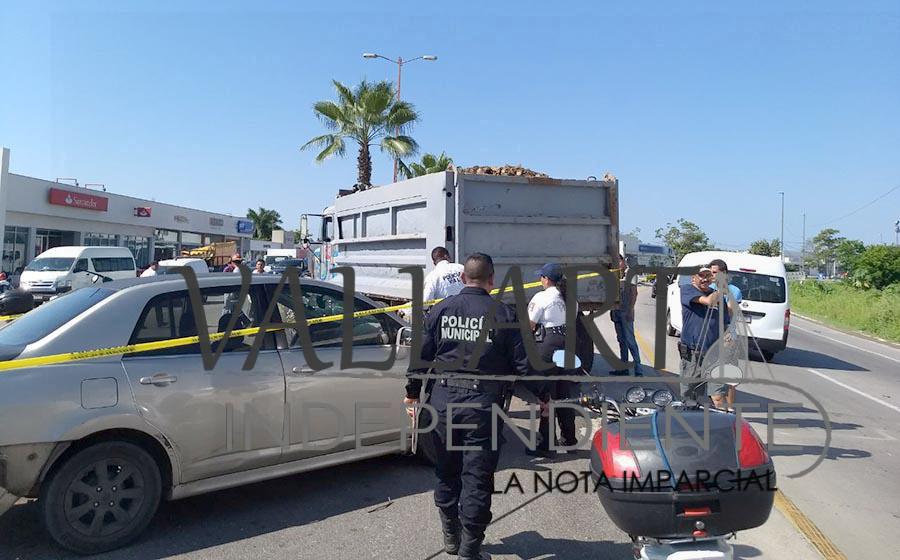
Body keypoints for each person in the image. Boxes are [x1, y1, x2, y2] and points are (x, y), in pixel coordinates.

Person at [405, 253, 536, 560]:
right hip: (482, 409)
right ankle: (469, 549)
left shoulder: (441, 309)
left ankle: (451, 535)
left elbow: (421, 358)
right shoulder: (504, 314)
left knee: (446, 471)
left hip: (443, 404)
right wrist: (542, 395)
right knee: (476, 479)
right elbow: (523, 366)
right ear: (492, 280)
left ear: (463, 279)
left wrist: (412, 394)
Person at [527, 263, 577, 455]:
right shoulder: (569, 298)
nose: (540, 280)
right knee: (564, 392)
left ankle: (546, 444)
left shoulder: (541, 297)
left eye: (541, 277)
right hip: (568, 343)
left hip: (549, 344)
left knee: (546, 395)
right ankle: (569, 439)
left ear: (547, 279)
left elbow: (529, 325)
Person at [679, 266, 729, 407]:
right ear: (693, 278)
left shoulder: (719, 297)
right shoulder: (687, 290)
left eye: (708, 275)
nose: (705, 279)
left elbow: (725, 323)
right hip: (693, 354)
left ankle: (725, 423)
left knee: (718, 395)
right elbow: (708, 301)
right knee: (689, 398)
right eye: (701, 275)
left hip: (715, 355)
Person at [708, 258, 741, 407]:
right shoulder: (709, 288)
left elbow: (729, 313)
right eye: (710, 272)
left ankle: (730, 409)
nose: (712, 275)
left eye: (715, 272)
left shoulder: (734, 291)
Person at [610, 255, 643, 376]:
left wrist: (630, 310)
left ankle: (638, 370)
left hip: (625, 312)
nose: (617, 264)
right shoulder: (614, 274)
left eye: (619, 261)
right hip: (616, 311)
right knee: (621, 341)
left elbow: (634, 293)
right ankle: (623, 368)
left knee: (630, 341)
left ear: (623, 261)